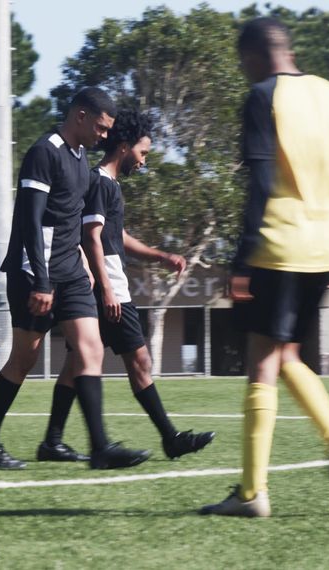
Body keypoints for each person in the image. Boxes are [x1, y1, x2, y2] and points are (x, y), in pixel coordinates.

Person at [200, 17, 329, 517]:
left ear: (253, 57)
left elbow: (259, 181)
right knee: (287, 352)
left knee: (260, 361)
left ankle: (253, 493)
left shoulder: (261, 97)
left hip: (277, 245)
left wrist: (243, 257)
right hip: (324, 248)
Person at [0, 87, 149, 470]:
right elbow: (30, 221)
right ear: (80, 116)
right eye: (101, 127)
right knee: (23, 360)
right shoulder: (44, 152)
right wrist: (40, 280)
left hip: (72, 272)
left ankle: (100, 447)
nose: (105, 136)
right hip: (36, 273)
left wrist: (85, 264)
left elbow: (74, 222)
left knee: (92, 349)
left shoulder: (81, 157)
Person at [36, 110, 216, 464]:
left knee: (80, 362)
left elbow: (114, 236)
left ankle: (52, 441)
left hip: (105, 284)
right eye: (143, 153)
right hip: (110, 286)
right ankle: (170, 438)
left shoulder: (107, 185)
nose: (144, 162)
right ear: (123, 148)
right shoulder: (100, 183)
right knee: (139, 359)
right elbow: (90, 238)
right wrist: (105, 289)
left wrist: (160, 255)